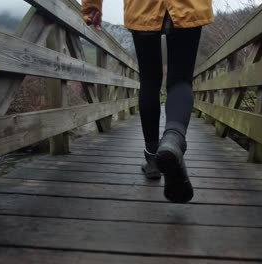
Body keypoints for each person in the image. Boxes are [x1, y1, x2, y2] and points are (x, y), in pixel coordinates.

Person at [82, 0, 214, 203]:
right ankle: (173, 139)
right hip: (188, 4)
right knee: (180, 80)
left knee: (150, 81)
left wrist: (92, 5)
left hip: (142, 5)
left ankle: (152, 158)